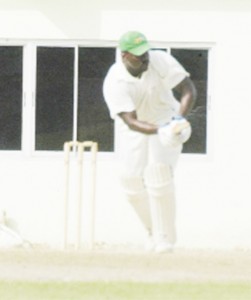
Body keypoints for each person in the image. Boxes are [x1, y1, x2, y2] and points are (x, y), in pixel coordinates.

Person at [103, 31, 197, 253]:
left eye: (145, 52)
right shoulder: (115, 81)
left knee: (158, 172)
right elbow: (131, 121)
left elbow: (188, 89)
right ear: (125, 56)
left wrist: (177, 121)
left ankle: (165, 240)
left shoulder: (159, 60)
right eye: (138, 55)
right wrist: (160, 130)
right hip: (135, 126)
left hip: (166, 116)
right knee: (130, 181)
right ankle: (153, 230)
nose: (145, 58)